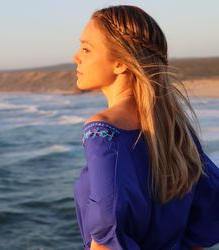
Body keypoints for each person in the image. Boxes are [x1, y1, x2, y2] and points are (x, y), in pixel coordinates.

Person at [72, 5, 219, 250]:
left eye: (86, 48)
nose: (75, 56)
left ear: (119, 63)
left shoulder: (103, 131)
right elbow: (198, 228)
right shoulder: (175, 130)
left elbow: (106, 242)